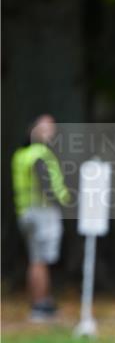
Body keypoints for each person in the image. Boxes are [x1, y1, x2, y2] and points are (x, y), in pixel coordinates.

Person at [11, 115, 71, 322]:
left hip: (25, 212)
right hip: (42, 213)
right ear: (33, 130)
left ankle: (41, 302)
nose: (50, 132)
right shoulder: (40, 154)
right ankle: (40, 304)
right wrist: (65, 202)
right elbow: (47, 185)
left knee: (36, 259)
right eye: (45, 127)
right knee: (41, 261)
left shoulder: (20, 155)